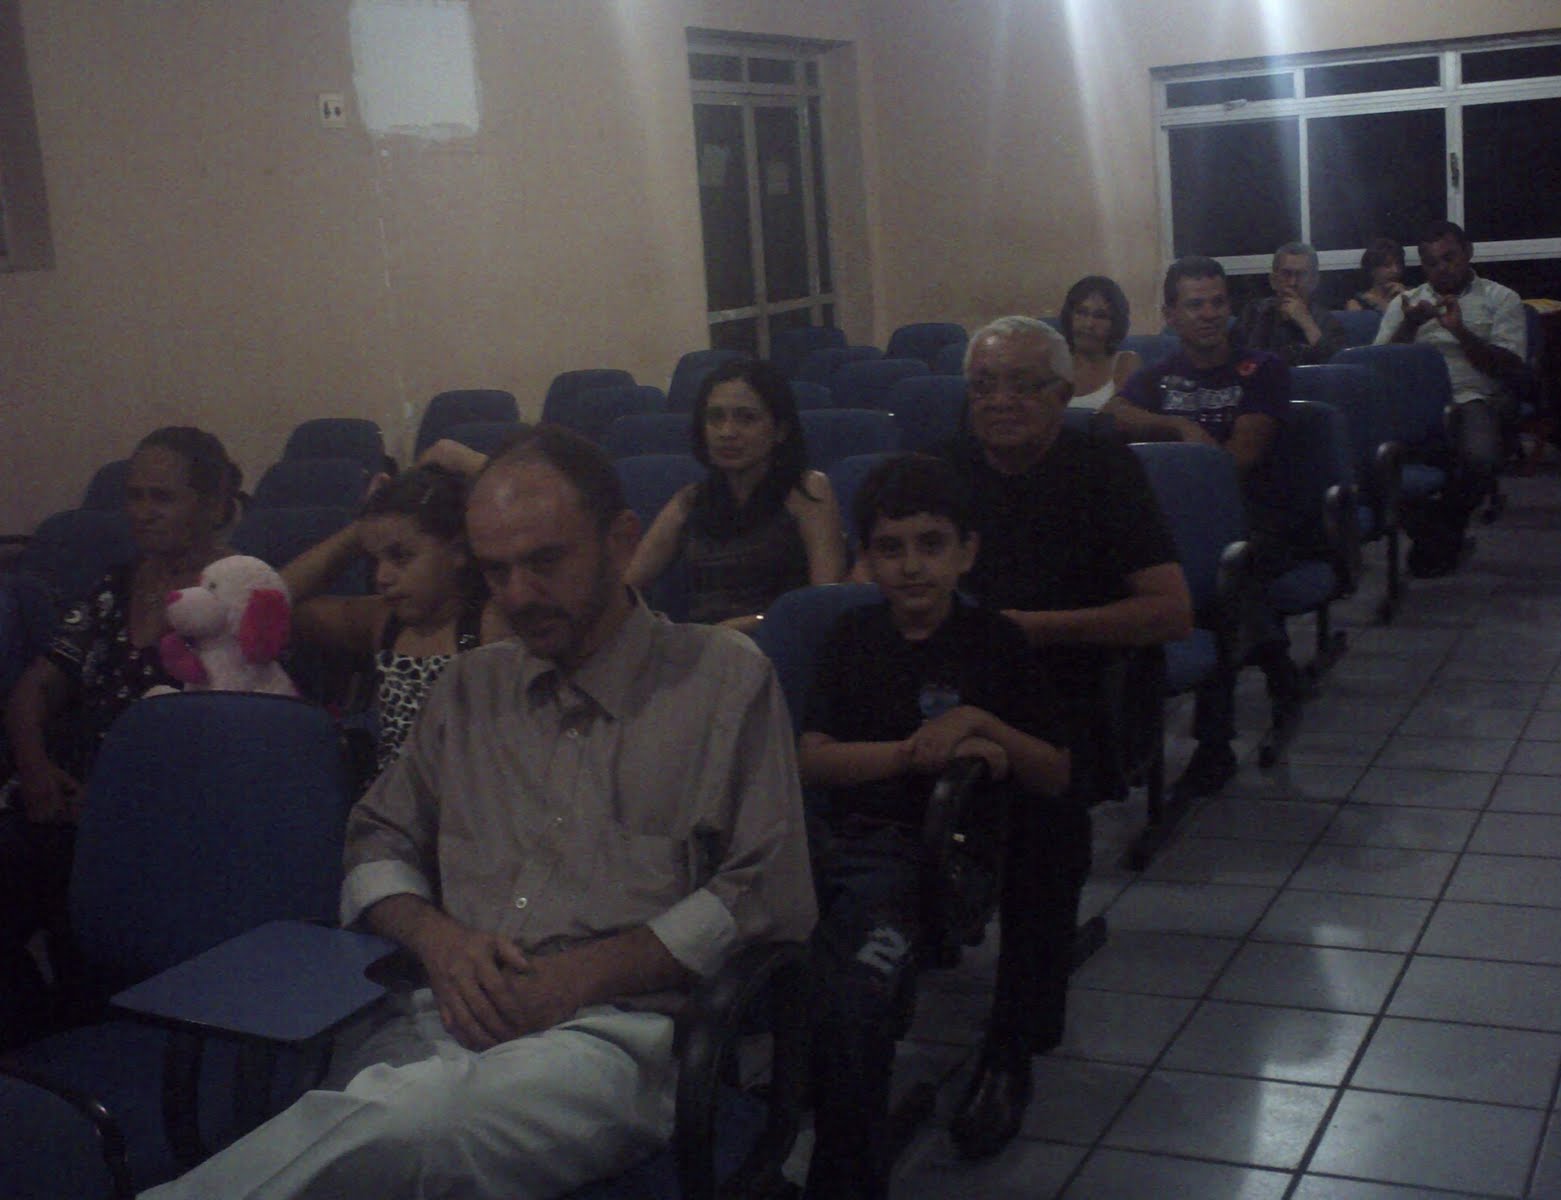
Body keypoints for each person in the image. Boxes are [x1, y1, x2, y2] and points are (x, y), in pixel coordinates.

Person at [142, 424, 817, 1199]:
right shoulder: (469, 687)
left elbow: (764, 890)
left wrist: (576, 977)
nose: (518, 595)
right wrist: (440, 941)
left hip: (610, 1040)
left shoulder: (721, 681)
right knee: (376, 1118)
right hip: (440, 1006)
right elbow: (376, 838)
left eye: (545, 561)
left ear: (621, 541)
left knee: (412, 1126)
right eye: (496, 570)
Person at [940, 316, 1191, 1157]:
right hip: (957, 682)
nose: (1001, 401)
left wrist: (1030, 630)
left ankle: (1011, 1045)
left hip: (1073, 689)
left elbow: (1170, 611)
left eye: (1023, 385)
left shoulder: (1102, 468)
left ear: (1061, 393)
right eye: (984, 386)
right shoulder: (945, 468)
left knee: (1037, 819)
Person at [801, 454, 1072, 1199]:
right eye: (890, 548)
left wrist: (979, 724)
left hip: (933, 863)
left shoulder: (995, 641)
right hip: (831, 850)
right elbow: (810, 760)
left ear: (966, 551)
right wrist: (918, 752)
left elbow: (1053, 772)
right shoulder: (852, 635)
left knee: (856, 1000)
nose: (912, 566)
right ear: (866, 557)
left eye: (931, 544)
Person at [1, 427, 242, 1046]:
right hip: (64, 801)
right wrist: (33, 768)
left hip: (163, 816)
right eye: (134, 496)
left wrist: (114, 803)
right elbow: (34, 688)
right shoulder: (115, 586)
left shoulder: (234, 594)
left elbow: (229, 745)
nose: (142, 512)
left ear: (212, 505)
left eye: (162, 497)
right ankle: (40, 1044)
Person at [1106, 256, 1302, 797]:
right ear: (1171, 315)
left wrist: (1188, 454)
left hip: (1254, 522)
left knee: (1219, 587)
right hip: (1176, 527)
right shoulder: (1160, 376)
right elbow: (1111, 414)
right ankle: (1274, 657)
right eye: (1195, 305)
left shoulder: (1263, 369)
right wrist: (1175, 425)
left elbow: (1238, 459)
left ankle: (1214, 744)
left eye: (1218, 302)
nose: (1210, 314)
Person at [280, 464, 509, 784]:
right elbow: (275, 602)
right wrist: (357, 533)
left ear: (458, 551)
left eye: (401, 556)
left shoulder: (493, 624)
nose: (382, 577)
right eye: (375, 560)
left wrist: (455, 460)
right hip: (392, 804)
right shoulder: (384, 622)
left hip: (471, 800)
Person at [625, 357, 845, 630]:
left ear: (780, 430)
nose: (727, 432)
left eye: (746, 418)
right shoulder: (690, 501)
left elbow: (824, 601)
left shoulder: (807, 490)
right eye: (715, 417)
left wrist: (745, 625)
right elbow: (628, 585)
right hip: (705, 646)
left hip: (781, 640)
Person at [1375, 219, 1527, 576]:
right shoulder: (1407, 303)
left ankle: (1442, 530)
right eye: (1431, 263)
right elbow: (1377, 363)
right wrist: (1410, 325)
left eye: (1449, 258)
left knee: (1481, 458)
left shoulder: (1500, 298)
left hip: (1470, 398)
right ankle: (1441, 537)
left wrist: (1460, 332)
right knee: (1371, 464)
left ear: (1468, 253)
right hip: (1411, 403)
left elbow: (1510, 367)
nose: (1441, 268)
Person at [1234, 241, 1347, 366]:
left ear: (1314, 281)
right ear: (1273, 280)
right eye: (1286, 274)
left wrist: (1308, 324)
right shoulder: (1253, 313)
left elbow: (1337, 368)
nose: (1293, 282)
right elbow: (1235, 359)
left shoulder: (1327, 322)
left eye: (1301, 274)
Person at [1060, 275, 1139, 410]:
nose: (1088, 324)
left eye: (1101, 316)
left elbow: (1124, 416)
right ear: (1069, 316)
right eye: (1081, 312)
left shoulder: (1125, 362)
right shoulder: (1052, 361)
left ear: (1116, 322)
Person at [1347, 237, 1407, 313]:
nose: (1396, 271)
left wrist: (1406, 298)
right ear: (1372, 269)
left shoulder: (1409, 294)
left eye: (1399, 265)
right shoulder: (1359, 302)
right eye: (1387, 265)